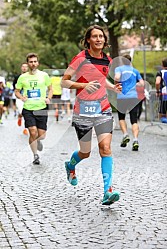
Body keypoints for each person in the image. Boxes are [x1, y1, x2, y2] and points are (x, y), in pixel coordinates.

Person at [61, 25, 122, 206]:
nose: (98, 39)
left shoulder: (107, 60)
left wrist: (113, 87)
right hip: (83, 111)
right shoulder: (81, 58)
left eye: (101, 36)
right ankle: (71, 165)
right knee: (85, 152)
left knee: (105, 148)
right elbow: (63, 82)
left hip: (103, 109)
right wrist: (82, 86)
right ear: (88, 39)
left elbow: (101, 81)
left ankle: (107, 191)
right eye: (94, 36)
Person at [15, 53, 53, 165]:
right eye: (31, 62)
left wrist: (48, 98)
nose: (33, 63)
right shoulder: (22, 77)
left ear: (38, 63)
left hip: (41, 107)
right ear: (28, 63)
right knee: (32, 131)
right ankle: (35, 155)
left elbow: (50, 89)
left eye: (35, 61)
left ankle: (38, 140)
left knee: (41, 135)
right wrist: (22, 97)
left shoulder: (44, 75)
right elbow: (16, 91)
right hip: (28, 108)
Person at [114, 54, 145, 151]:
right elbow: (142, 83)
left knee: (121, 117)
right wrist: (134, 84)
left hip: (122, 96)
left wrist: (117, 84)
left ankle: (125, 134)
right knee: (134, 120)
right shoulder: (135, 71)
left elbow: (117, 77)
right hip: (133, 97)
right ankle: (135, 139)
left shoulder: (119, 69)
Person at [14, 63, 29, 135]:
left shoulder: (30, 77)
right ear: (21, 68)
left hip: (28, 98)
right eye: (23, 67)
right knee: (23, 112)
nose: (24, 68)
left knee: (26, 113)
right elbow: (15, 89)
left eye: (26, 67)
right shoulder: (17, 77)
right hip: (19, 98)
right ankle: (20, 116)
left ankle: (25, 129)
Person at [155, 58, 167, 123]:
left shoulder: (160, 73)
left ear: (162, 65)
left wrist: (157, 91)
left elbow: (157, 82)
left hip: (164, 95)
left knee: (162, 115)